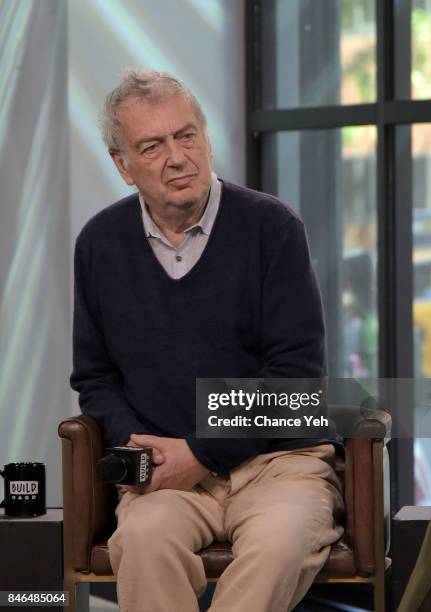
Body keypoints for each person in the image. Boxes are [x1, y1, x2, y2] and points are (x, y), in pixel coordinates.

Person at [70, 69, 344, 612]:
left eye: (186, 135)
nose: (177, 157)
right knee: (145, 543)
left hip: (277, 466)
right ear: (122, 165)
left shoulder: (272, 229)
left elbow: (295, 378)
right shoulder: (99, 244)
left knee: (276, 546)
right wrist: (149, 454)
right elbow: (96, 379)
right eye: (152, 145)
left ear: (205, 138)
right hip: (167, 479)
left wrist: (202, 449)